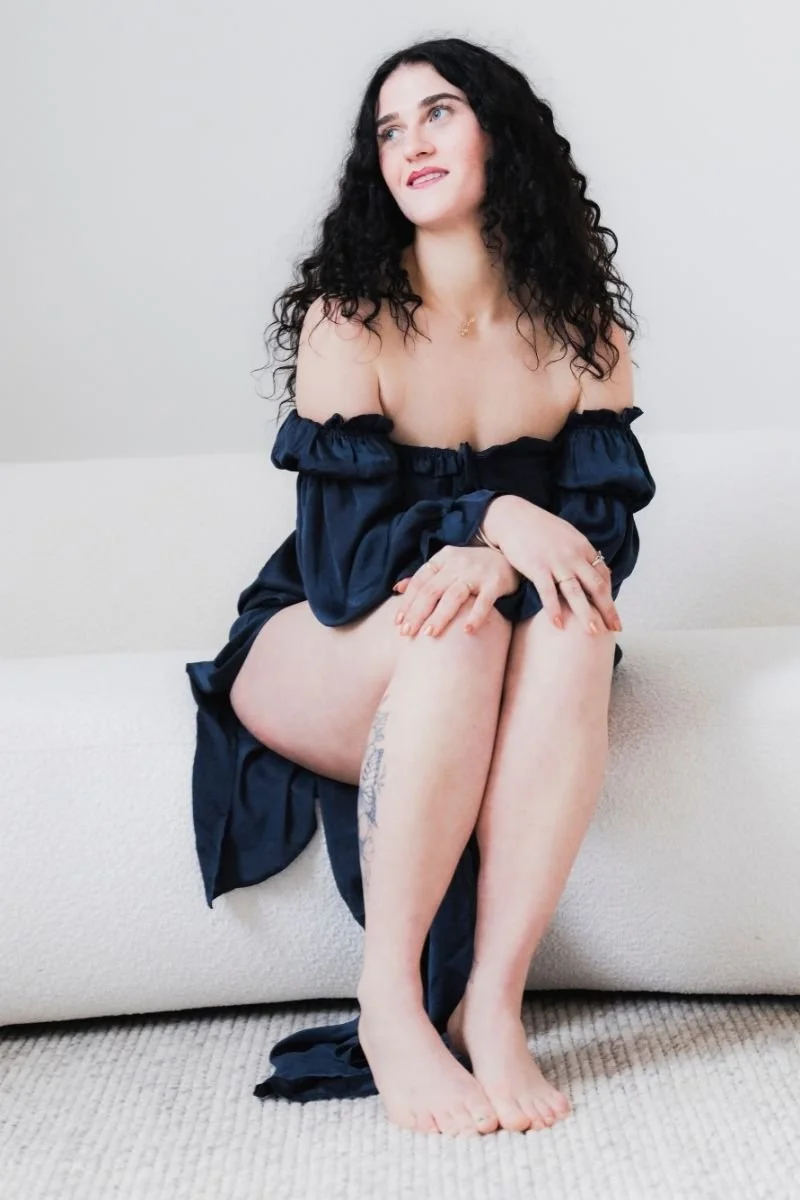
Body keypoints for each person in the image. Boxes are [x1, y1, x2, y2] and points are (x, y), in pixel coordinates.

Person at [185, 35, 657, 1137]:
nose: (409, 144)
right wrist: (490, 514)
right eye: (387, 130)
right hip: (320, 635)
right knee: (457, 626)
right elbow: (348, 573)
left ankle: (494, 1007)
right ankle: (390, 1000)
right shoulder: (348, 320)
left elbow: (594, 548)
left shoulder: (585, 333)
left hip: (480, 627)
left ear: (501, 134)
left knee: (572, 625)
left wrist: (503, 554)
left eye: (436, 113)